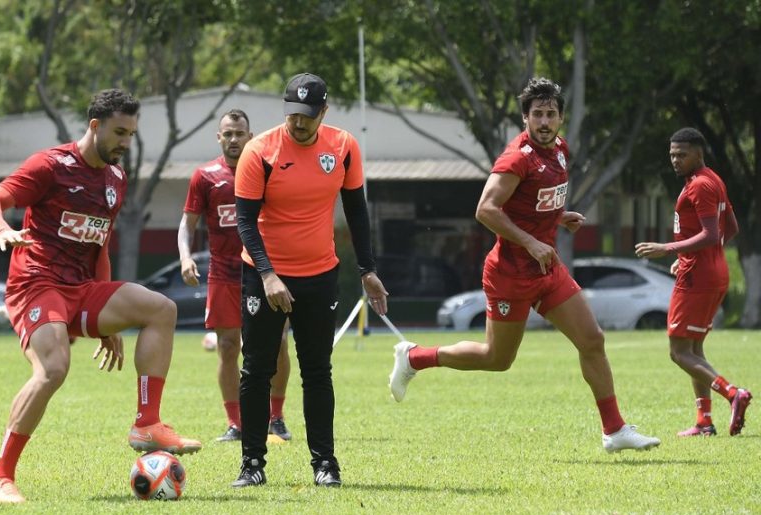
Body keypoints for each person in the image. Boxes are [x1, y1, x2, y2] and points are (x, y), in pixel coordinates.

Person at [388, 77, 661, 453]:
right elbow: (485, 209)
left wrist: (558, 215)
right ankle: (414, 357)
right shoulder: (517, 157)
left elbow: (532, 201)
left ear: (561, 117)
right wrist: (531, 241)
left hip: (546, 268)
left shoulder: (561, 150)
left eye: (551, 114)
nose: (545, 122)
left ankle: (614, 431)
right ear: (525, 119)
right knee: (497, 359)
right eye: (537, 115)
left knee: (592, 340)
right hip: (510, 274)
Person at [0, 88, 201, 504]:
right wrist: (2, 230)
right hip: (37, 284)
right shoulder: (50, 165)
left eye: (131, 135)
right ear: (94, 126)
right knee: (53, 369)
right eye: (119, 132)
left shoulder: (115, 179)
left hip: (81, 288)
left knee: (161, 309)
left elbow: (100, 247)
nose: (125, 143)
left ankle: (146, 424)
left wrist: (106, 322)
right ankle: (0, 478)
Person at [231, 72, 389, 487]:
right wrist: (267, 275)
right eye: (292, 115)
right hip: (263, 275)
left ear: (324, 112)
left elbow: (356, 211)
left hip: (320, 275)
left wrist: (367, 270)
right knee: (256, 370)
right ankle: (252, 464)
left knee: (317, 370)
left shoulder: (343, 147)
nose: (297, 124)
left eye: (307, 116)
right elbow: (245, 222)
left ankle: (325, 464)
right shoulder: (259, 151)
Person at [178, 109, 293, 443]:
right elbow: (187, 224)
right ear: (219, 137)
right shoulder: (205, 176)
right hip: (223, 275)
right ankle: (236, 423)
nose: (233, 139)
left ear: (250, 135)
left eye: (239, 133)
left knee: (278, 344)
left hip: (265, 272)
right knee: (228, 347)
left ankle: (276, 417)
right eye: (227, 134)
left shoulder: (266, 171)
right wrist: (185, 257)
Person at [635, 127, 751, 436]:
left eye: (682, 154)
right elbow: (731, 229)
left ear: (699, 153)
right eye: (672, 154)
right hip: (711, 272)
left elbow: (711, 234)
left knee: (678, 352)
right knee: (694, 349)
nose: (675, 159)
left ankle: (732, 393)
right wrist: (698, 255)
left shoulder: (699, 186)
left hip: (697, 278)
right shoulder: (713, 179)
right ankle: (704, 421)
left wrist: (668, 249)